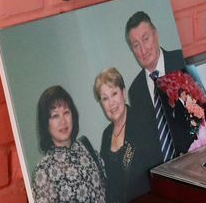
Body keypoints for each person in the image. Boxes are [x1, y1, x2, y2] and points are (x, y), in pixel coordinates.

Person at [124, 12, 185, 163]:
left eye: (146, 39)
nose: (143, 50)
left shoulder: (181, 61)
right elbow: (147, 142)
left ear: (156, 35)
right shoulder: (135, 90)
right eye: (136, 45)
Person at [31, 85, 107, 203]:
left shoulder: (85, 147)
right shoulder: (43, 171)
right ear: (46, 123)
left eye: (66, 112)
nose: (63, 121)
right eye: (55, 115)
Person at [94, 67, 155, 203]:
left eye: (114, 93)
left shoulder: (142, 122)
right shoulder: (106, 135)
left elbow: (156, 172)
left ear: (124, 93)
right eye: (105, 98)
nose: (111, 103)